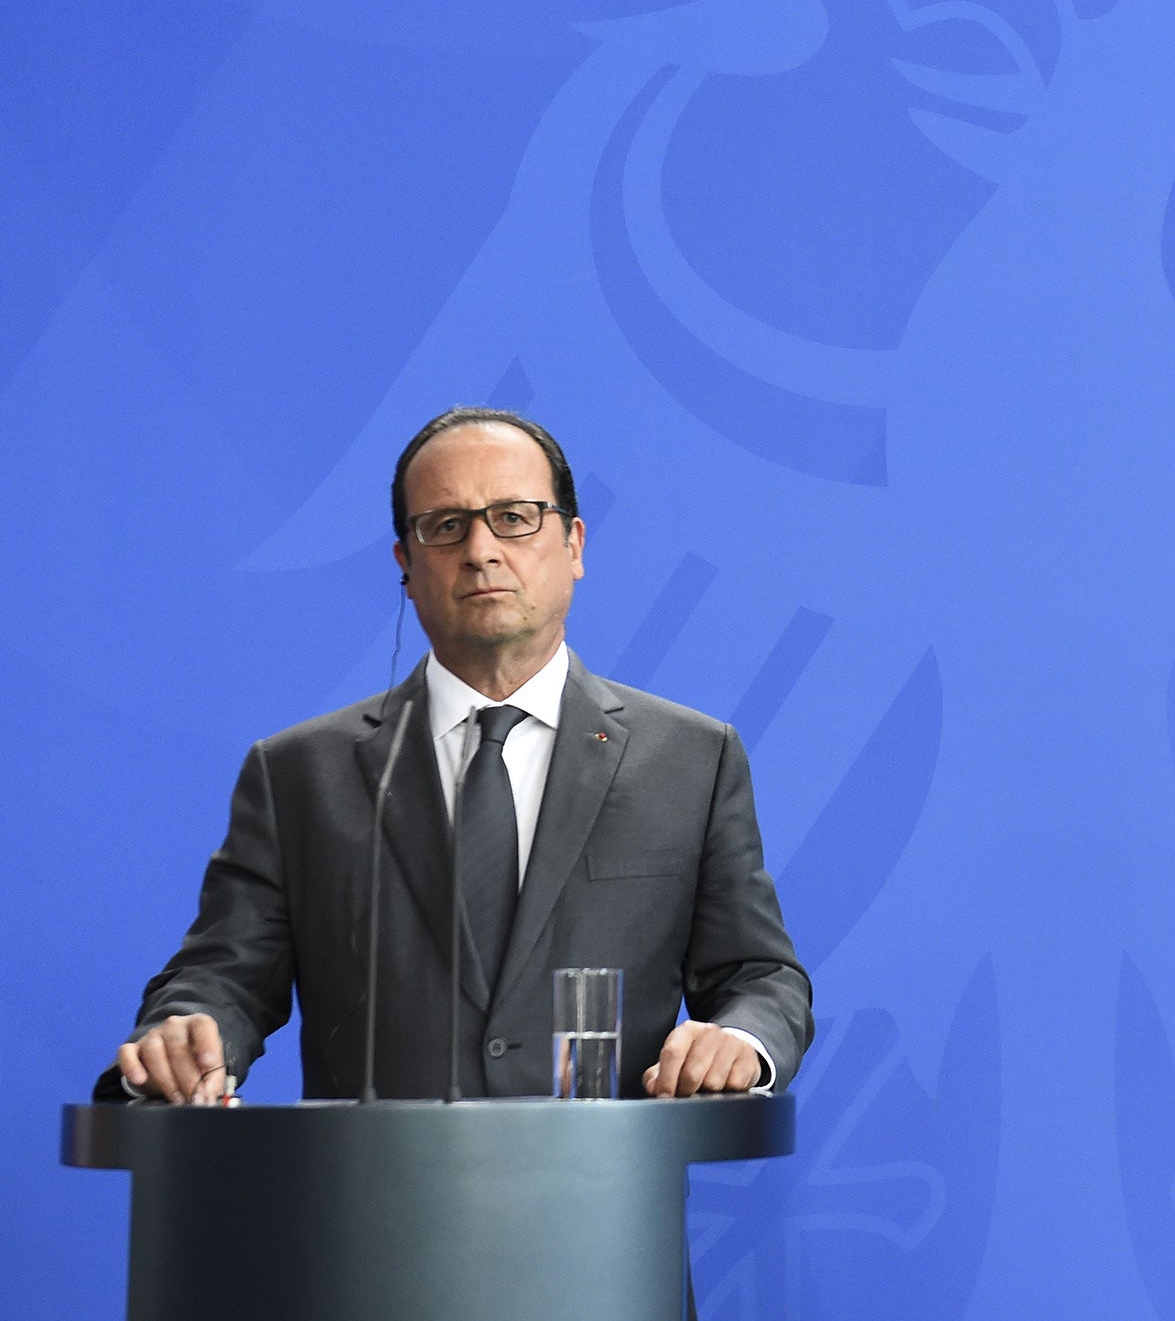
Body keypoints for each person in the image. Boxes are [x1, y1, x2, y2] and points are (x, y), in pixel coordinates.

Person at [101, 406, 812, 1108]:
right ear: (405, 565)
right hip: (369, 1208)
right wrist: (184, 1037)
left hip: (603, 1205)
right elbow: (222, 977)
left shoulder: (690, 760)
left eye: (514, 517)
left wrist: (741, 1041)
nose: (481, 550)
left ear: (574, 545)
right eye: (445, 526)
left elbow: (758, 976)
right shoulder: (299, 775)